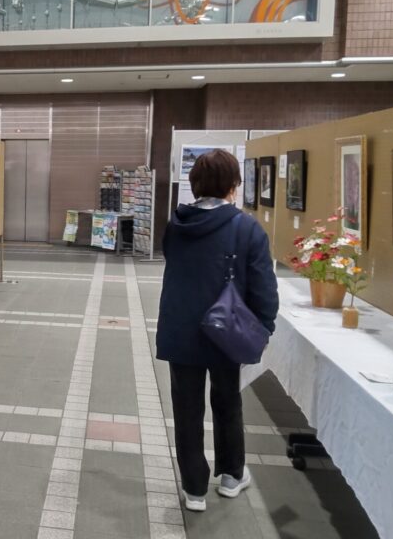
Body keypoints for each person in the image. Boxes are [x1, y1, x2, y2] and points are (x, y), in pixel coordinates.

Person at [156, 149, 279, 513]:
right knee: (227, 402)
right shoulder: (246, 228)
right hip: (227, 329)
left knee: (186, 408)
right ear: (232, 185)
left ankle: (194, 489)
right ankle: (230, 475)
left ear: (195, 183)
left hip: (180, 329)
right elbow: (264, 288)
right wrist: (264, 327)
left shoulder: (176, 225)